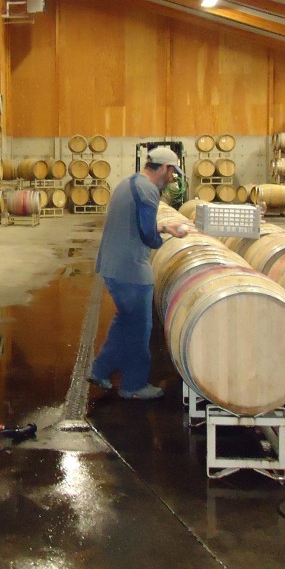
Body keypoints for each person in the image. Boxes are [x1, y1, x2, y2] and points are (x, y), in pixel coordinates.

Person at [89, 146, 190, 400]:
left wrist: (165, 226)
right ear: (165, 169)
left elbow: (136, 222)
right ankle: (133, 386)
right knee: (139, 328)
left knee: (125, 321)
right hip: (130, 269)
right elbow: (146, 234)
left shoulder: (130, 182)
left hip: (113, 265)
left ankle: (99, 370)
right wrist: (164, 241)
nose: (172, 179)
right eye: (172, 173)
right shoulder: (148, 191)